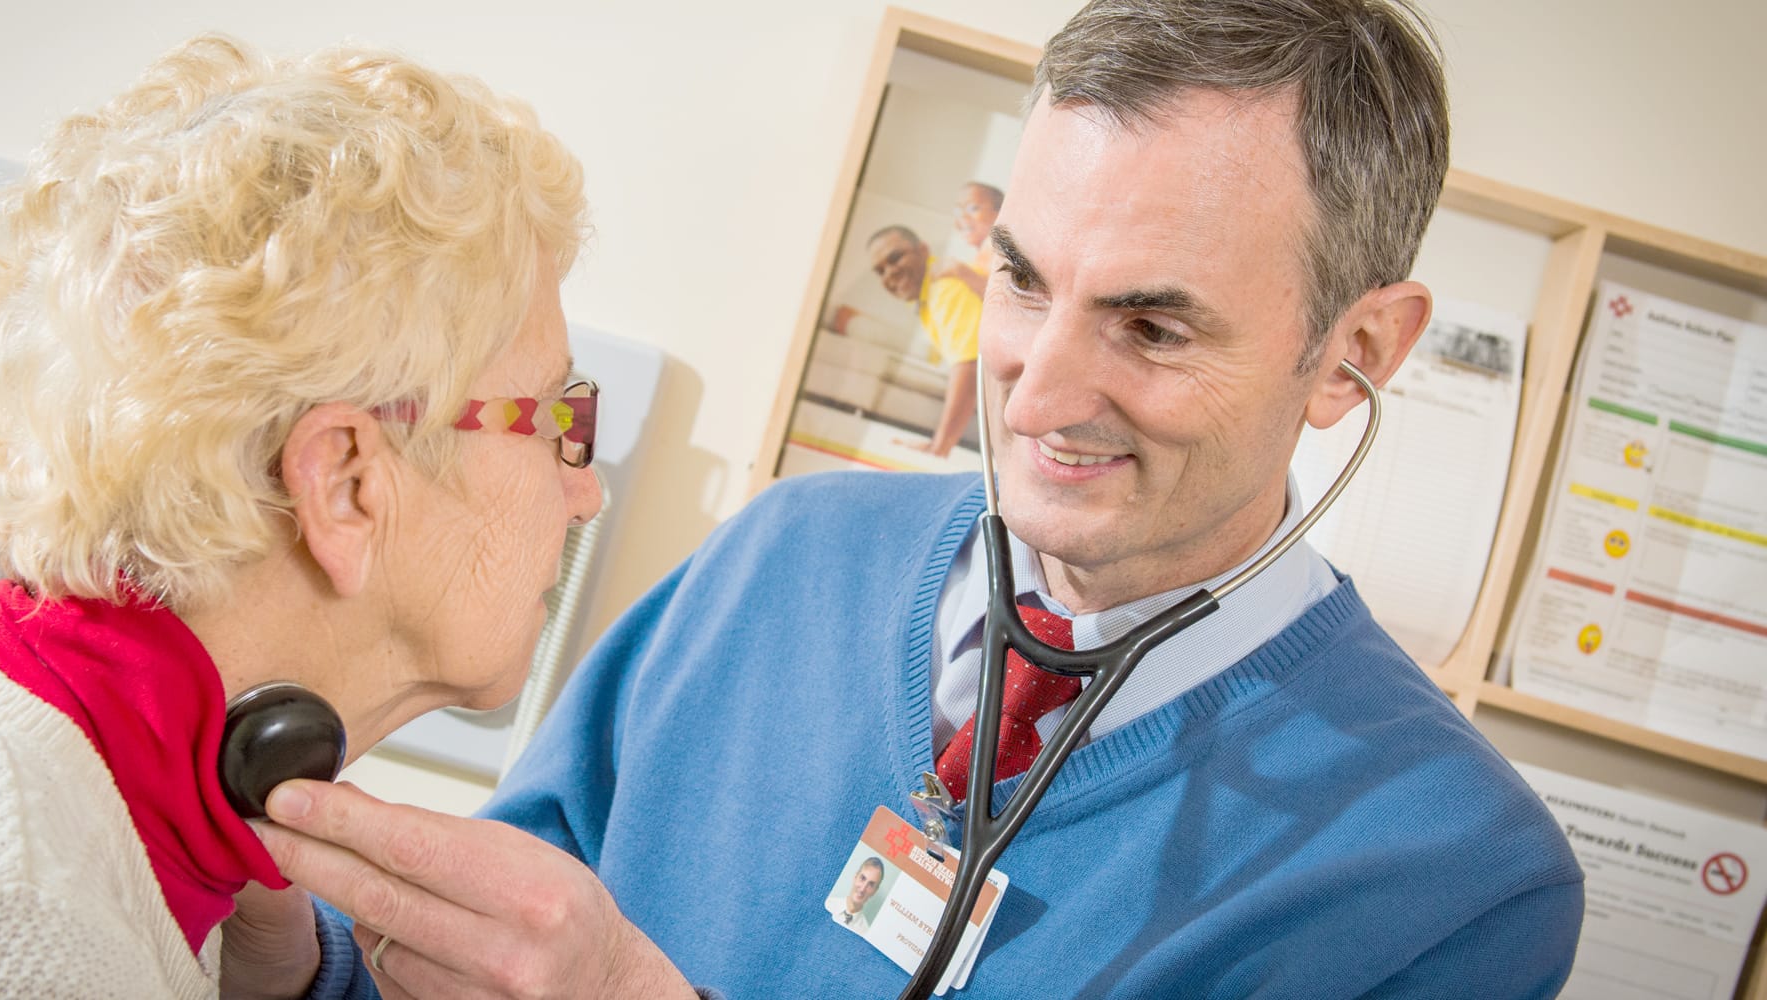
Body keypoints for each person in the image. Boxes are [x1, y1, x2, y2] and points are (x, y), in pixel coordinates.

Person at [238, 1, 1585, 997]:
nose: (1036, 393)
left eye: (1153, 330)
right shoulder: (782, 556)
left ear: (1356, 353)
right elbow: (454, 973)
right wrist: (289, 956)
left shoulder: (1451, 882)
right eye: (1021, 280)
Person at [0, 33, 604, 999]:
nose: (581, 490)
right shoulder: (8, 948)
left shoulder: (44, 766)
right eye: (558, 417)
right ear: (345, 485)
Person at [831, 224, 982, 457]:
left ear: (923, 250)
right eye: (880, 271)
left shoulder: (945, 288)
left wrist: (939, 447)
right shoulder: (928, 300)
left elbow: (969, 369)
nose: (889, 273)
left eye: (895, 258)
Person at [951, 180, 1005, 295]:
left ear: (1000, 212)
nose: (962, 216)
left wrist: (959, 271)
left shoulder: (998, 245)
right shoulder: (982, 255)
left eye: (973, 208)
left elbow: (1003, 298)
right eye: (958, 210)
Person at [825, 857, 886, 935]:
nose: (863, 889)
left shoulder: (865, 932)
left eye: (871, 884)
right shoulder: (829, 904)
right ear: (855, 877)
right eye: (862, 878)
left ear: (875, 891)